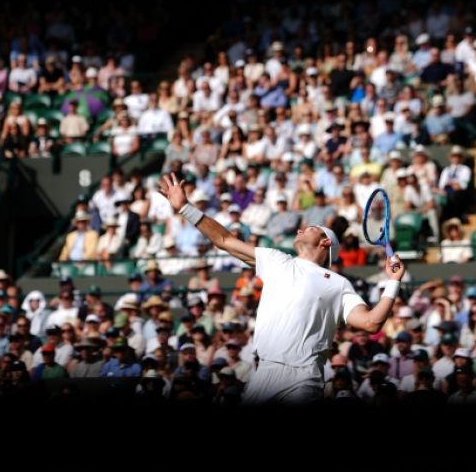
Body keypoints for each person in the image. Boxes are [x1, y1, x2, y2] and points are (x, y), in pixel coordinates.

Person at [157, 172, 404, 405]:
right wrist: (185, 208)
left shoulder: (339, 284)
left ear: (325, 241)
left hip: (304, 378)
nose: (300, 229)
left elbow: (372, 323)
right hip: (264, 372)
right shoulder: (277, 260)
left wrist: (393, 282)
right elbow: (224, 240)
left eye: (310, 228)